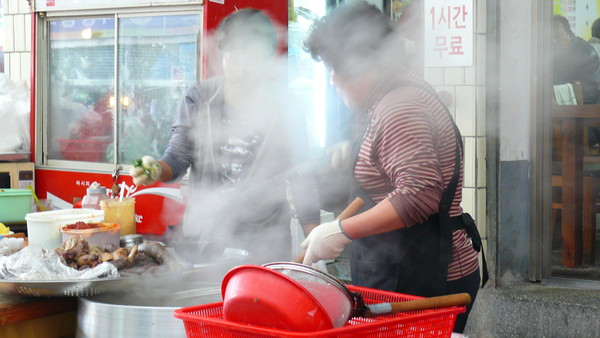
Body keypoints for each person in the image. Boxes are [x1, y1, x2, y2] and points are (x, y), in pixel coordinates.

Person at [300, 2, 483, 333]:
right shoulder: (393, 96)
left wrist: (340, 231)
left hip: (426, 278)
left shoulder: (400, 106)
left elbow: (417, 196)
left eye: (333, 67)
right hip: (404, 269)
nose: (332, 79)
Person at [130, 9, 320, 263]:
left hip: (266, 237)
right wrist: (155, 169)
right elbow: (177, 159)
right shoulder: (199, 98)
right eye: (234, 53)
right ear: (223, 53)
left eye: (251, 55)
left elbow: (301, 175)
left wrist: (316, 239)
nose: (242, 65)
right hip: (206, 236)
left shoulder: (286, 106)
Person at [553, 15, 600, 104]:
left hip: (587, 110)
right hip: (562, 109)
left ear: (569, 34)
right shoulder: (553, 52)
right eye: (551, 37)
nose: (554, 41)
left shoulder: (586, 53)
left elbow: (590, 92)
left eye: (558, 35)